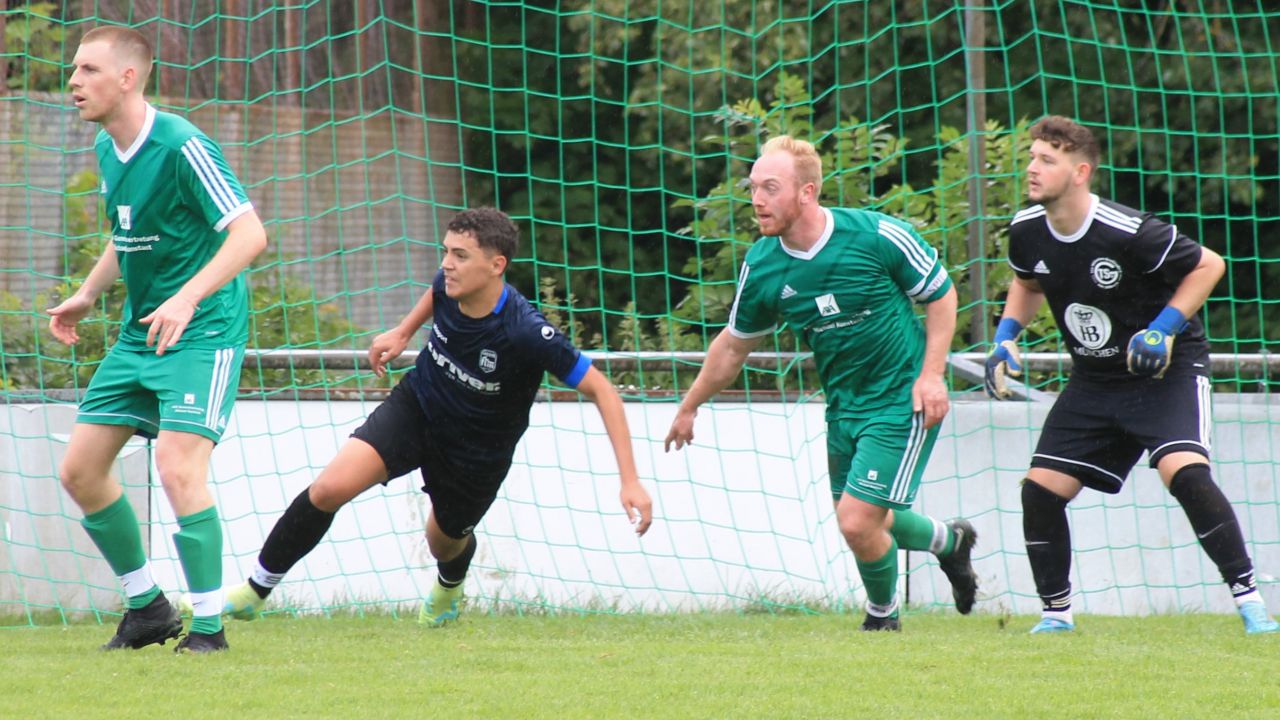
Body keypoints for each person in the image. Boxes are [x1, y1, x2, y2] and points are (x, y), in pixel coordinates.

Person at [209, 207, 653, 626]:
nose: (447, 264)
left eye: (460, 256)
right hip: (417, 406)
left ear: (496, 265)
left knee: (442, 541)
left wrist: (629, 480)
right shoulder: (449, 282)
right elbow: (435, 291)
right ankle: (255, 592)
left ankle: (449, 586)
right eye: (445, 251)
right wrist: (403, 331)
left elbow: (603, 390)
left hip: (477, 452)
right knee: (329, 488)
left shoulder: (526, 331)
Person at [664, 135, 978, 632]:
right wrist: (689, 406)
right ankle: (950, 542)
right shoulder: (763, 264)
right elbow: (732, 346)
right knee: (864, 518)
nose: (757, 199)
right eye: (753, 187)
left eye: (771, 187)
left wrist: (932, 374)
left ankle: (882, 620)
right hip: (843, 407)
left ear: (807, 192)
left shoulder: (877, 236)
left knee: (856, 520)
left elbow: (941, 297)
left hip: (901, 398)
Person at [986, 115, 1279, 634]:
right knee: (1040, 489)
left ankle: (1251, 600)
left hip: (1165, 371)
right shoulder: (1027, 229)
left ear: (1080, 172)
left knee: (1184, 473)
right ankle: (1056, 615)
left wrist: (1163, 329)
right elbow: (1028, 283)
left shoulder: (1127, 229)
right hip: (1095, 380)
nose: (1031, 168)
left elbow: (1209, 265)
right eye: (1031, 157)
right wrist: (1006, 336)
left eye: (1045, 160)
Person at [49, 25, 267, 653]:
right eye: (74, 70)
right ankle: (147, 607)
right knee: (81, 470)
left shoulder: (182, 144)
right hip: (142, 332)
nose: (73, 81)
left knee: (177, 465)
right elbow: (129, 231)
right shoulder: (104, 147)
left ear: (128, 78)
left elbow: (250, 235)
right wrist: (89, 293)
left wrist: (188, 295)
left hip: (204, 331)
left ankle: (209, 627)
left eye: (88, 70)